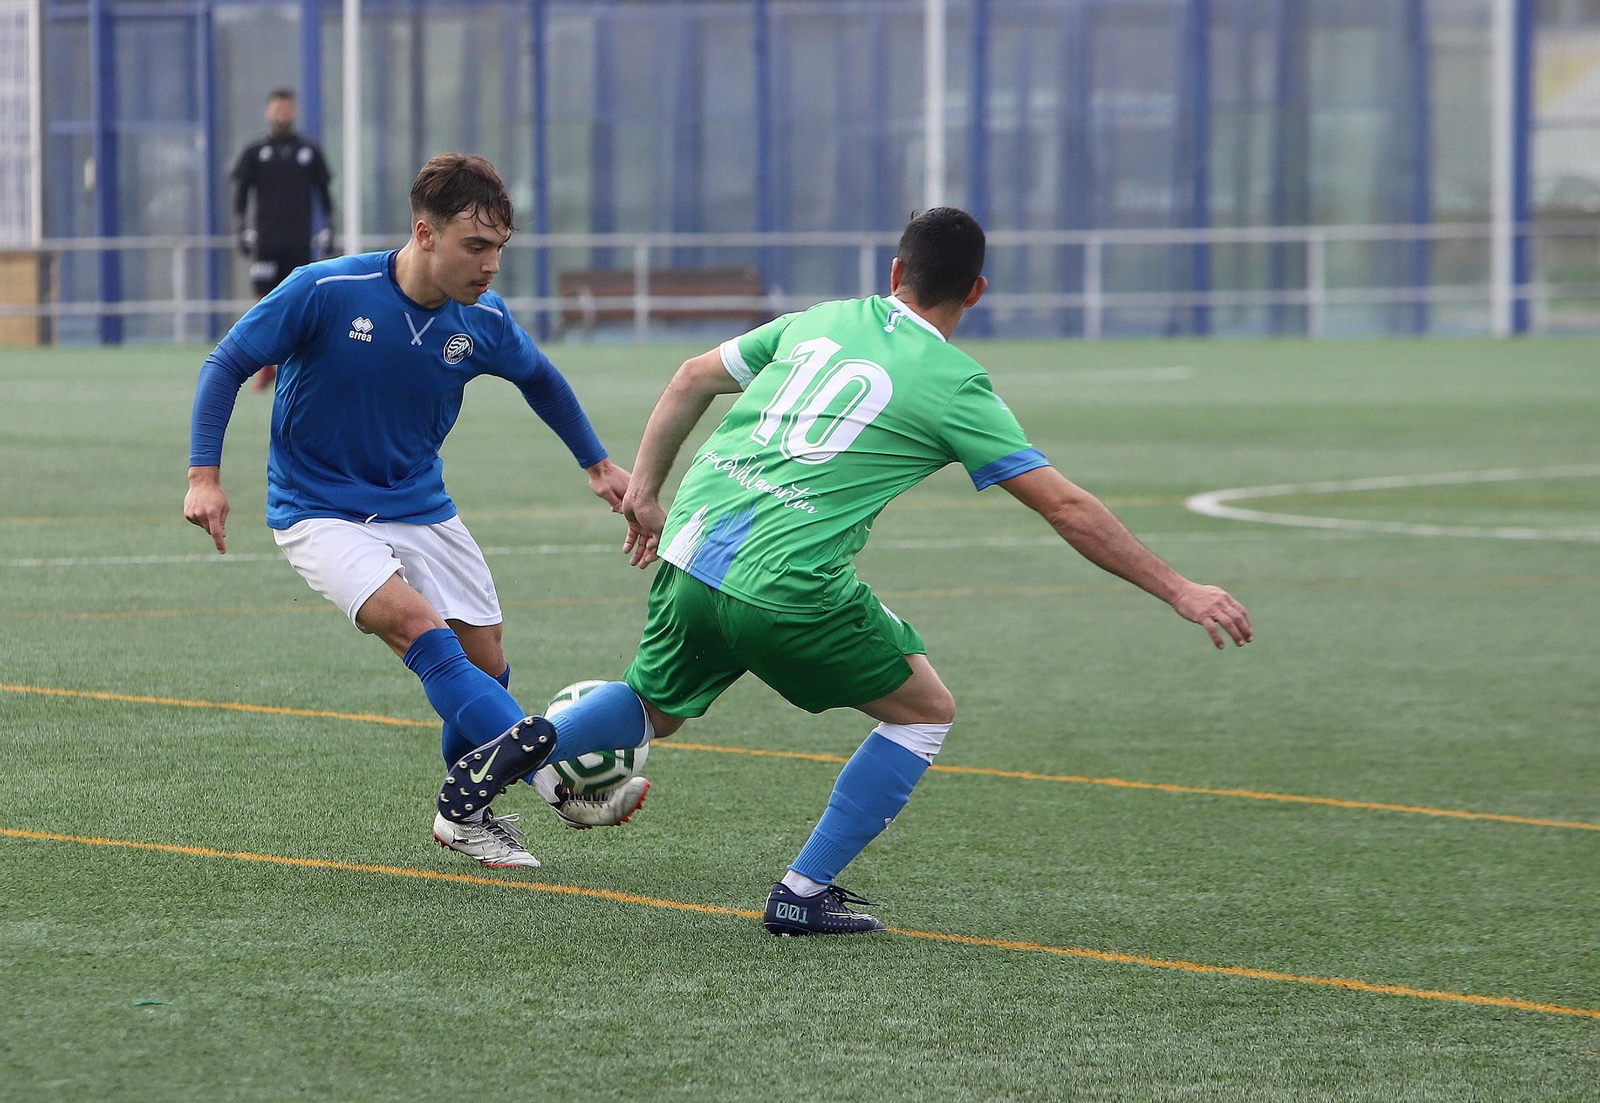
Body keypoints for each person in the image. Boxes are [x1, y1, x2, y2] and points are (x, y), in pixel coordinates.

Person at [431, 207, 1253, 935]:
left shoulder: (820, 319)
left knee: (652, 708)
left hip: (694, 544)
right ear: (977, 292)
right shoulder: (955, 382)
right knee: (924, 710)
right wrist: (1181, 588)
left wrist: (644, 491)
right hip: (786, 581)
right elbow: (1066, 507)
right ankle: (802, 890)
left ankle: (509, 750)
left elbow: (688, 378)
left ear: (894, 273)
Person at [185, 153, 647, 870]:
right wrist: (203, 477)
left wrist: (596, 463)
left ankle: (463, 815)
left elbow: (541, 378)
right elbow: (227, 363)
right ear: (424, 234)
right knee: (420, 629)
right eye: (476, 246)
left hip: (421, 507)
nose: (491, 265)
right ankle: (562, 785)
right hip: (319, 510)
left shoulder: (482, 319)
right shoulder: (327, 290)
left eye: (499, 248)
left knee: (486, 665)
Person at [231, 88, 335, 392]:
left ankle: (293, 364)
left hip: (299, 241)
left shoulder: (309, 151)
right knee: (261, 301)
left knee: (299, 300)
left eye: (287, 108)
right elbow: (240, 195)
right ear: (268, 111)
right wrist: (240, 227)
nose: (282, 113)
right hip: (266, 241)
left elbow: (325, 194)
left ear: (295, 111)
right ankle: (263, 366)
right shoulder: (255, 152)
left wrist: (329, 227)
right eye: (277, 108)